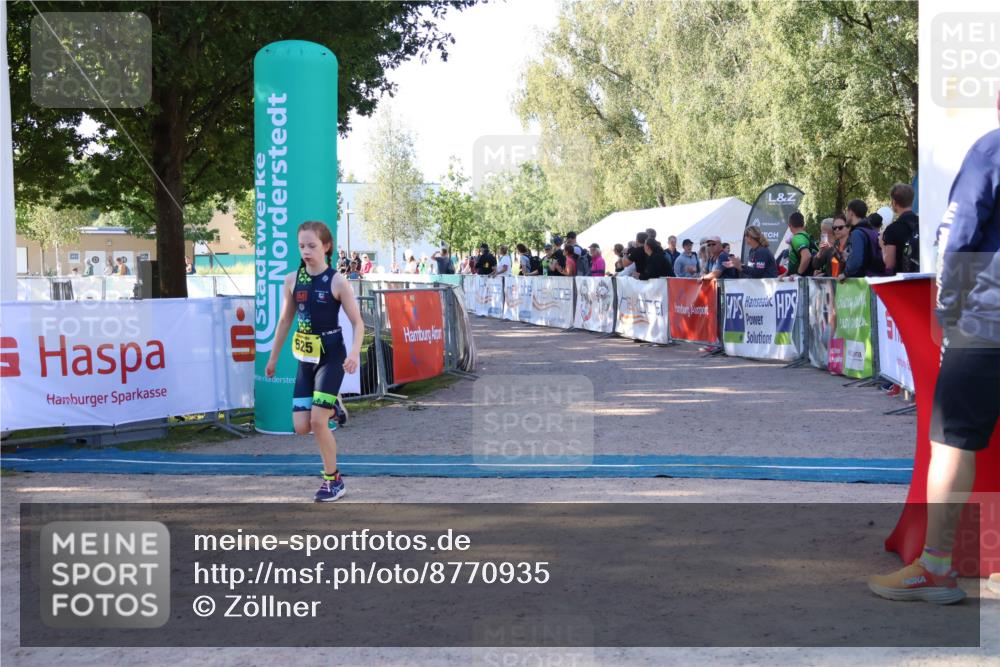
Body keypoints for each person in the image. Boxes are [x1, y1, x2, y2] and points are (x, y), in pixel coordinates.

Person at [868, 101, 1000, 604]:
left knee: (950, 445)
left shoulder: (990, 150)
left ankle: (937, 569)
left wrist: (945, 311)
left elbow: (957, 236)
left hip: (986, 321)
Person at [264, 220, 363, 502]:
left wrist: (354, 353)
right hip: (305, 358)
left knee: (318, 423)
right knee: (301, 426)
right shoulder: (292, 280)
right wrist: (272, 359)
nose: (306, 251)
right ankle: (334, 405)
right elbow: (285, 320)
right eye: (301, 246)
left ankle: (333, 480)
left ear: (326, 247)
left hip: (332, 356)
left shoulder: (337, 281)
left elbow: (358, 323)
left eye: (312, 246)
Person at [843, 199, 885, 278]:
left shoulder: (857, 233)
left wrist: (845, 273)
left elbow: (856, 261)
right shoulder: (872, 231)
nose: (846, 215)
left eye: (847, 212)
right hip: (874, 278)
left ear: (851, 213)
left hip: (862, 282)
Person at [883, 183, 919, 275]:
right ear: (911, 201)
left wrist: (882, 246)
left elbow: (889, 264)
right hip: (924, 279)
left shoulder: (892, 229)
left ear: (894, 202)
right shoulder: (922, 224)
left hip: (902, 282)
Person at [786, 212, 814, 277]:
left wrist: (798, 274)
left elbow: (807, 256)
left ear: (790, 225)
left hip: (801, 281)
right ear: (803, 224)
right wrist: (786, 274)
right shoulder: (805, 235)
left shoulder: (797, 238)